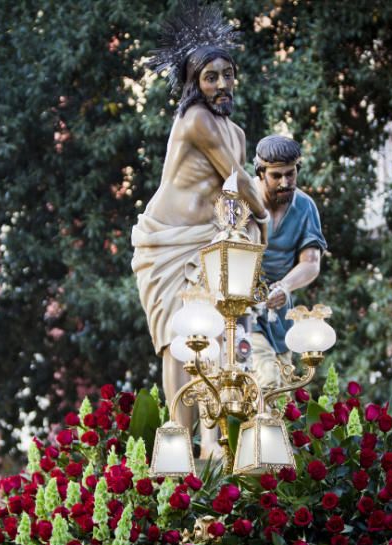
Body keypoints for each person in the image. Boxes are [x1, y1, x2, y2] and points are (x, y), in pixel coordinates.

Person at [133, 4, 269, 436]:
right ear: (196, 83)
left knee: (215, 335)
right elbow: (237, 177)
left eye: (227, 74)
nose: (222, 83)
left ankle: (215, 438)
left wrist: (246, 235)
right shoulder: (195, 120)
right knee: (178, 340)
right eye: (211, 77)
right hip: (167, 243)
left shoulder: (238, 132)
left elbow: (231, 197)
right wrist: (265, 216)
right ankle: (179, 441)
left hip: (208, 241)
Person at [250, 135, 327, 389]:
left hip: (281, 315)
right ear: (261, 173)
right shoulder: (241, 202)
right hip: (244, 313)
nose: (285, 182)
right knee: (266, 382)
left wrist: (284, 286)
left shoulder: (305, 207)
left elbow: (311, 262)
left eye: (290, 174)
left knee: (284, 391)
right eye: (276, 175)